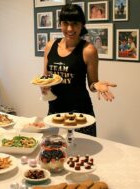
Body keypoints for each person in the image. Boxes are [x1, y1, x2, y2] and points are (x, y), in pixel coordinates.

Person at [41, 4, 116, 137]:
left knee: (83, 155)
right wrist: (44, 86)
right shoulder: (50, 46)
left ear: (82, 25)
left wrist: (96, 85)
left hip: (80, 114)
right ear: (60, 24)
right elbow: (45, 77)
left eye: (75, 23)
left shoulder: (88, 50)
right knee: (55, 153)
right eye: (65, 23)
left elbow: (92, 85)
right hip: (55, 111)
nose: (70, 28)